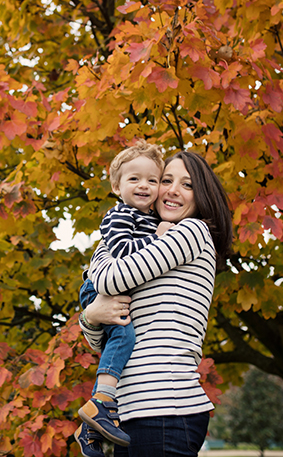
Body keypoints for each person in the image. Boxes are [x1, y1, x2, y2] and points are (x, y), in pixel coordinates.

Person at [77, 150, 233, 457]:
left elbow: (108, 280)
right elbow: (101, 342)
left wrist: (100, 255)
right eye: (166, 180)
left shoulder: (191, 231)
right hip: (129, 412)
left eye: (187, 184)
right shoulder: (151, 237)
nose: (173, 190)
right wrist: (92, 315)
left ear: (200, 195)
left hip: (164, 407)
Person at [74, 142, 173, 454]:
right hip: (99, 289)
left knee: (121, 341)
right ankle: (101, 402)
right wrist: (157, 241)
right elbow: (121, 254)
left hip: (117, 290)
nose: (144, 185)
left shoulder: (150, 217)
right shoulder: (120, 215)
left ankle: (90, 428)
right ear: (117, 186)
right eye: (134, 179)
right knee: (124, 338)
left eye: (152, 180)